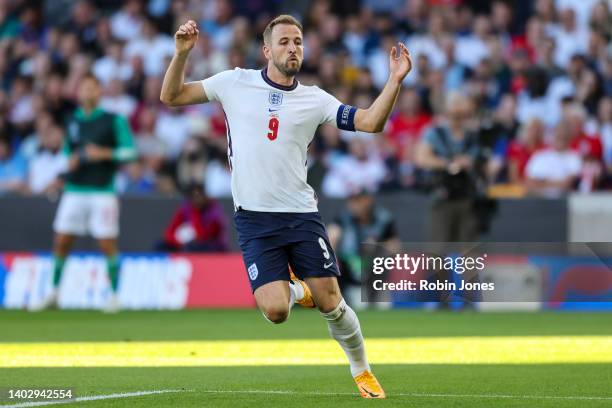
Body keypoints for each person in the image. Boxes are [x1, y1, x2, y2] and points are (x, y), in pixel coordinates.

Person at [160, 16, 412, 398]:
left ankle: (362, 371)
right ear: (267, 50)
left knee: (332, 302)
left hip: (301, 217)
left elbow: (371, 122)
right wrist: (181, 55)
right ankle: (298, 292)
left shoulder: (315, 98)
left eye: (298, 41)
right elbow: (172, 97)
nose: (293, 48)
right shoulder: (234, 82)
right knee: (276, 311)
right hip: (254, 220)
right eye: (284, 42)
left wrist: (394, 80)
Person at [32, 74, 136, 312]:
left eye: (92, 88)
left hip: (102, 190)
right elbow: (67, 153)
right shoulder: (72, 120)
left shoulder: (113, 120)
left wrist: (104, 154)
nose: (87, 92)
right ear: (79, 93)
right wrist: (70, 161)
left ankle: (114, 295)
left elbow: (129, 152)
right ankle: (54, 292)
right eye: (84, 88)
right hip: (74, 189)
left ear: (99, 92)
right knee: (61, 241)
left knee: (107, 242)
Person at [415, 93, 483, 242]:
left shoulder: (473, 135)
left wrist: (470, 162)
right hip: (441, 195)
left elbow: (480, 159)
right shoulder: (435, 132)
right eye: (454, 114)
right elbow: (421, 158)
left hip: (467, 195)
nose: (458, 117)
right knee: (438, 249)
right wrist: (448, 164)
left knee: (470, 247)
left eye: (462, 114)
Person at [327, 189, 400, 306]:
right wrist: (332, 258)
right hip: (351, 273)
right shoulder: (343, 218)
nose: (353, 205)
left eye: (357, 201)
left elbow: (395, 246)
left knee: (383, 306)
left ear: (368, 201)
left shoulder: (383, 219)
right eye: (351, 201)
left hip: (375, 272)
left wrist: (377, 244)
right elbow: (331, 236)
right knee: (359, 305)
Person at [157, 182, 228, 252]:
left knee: (191, 247)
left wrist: (195, 212)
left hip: (211, 247)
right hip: (184, 243)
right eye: (193, 196)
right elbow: (169, 232)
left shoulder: (213, 212)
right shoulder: (185, 209)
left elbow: (202, 236)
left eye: (199, 195)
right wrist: (178, 242)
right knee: (160, 245)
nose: (197, 199)